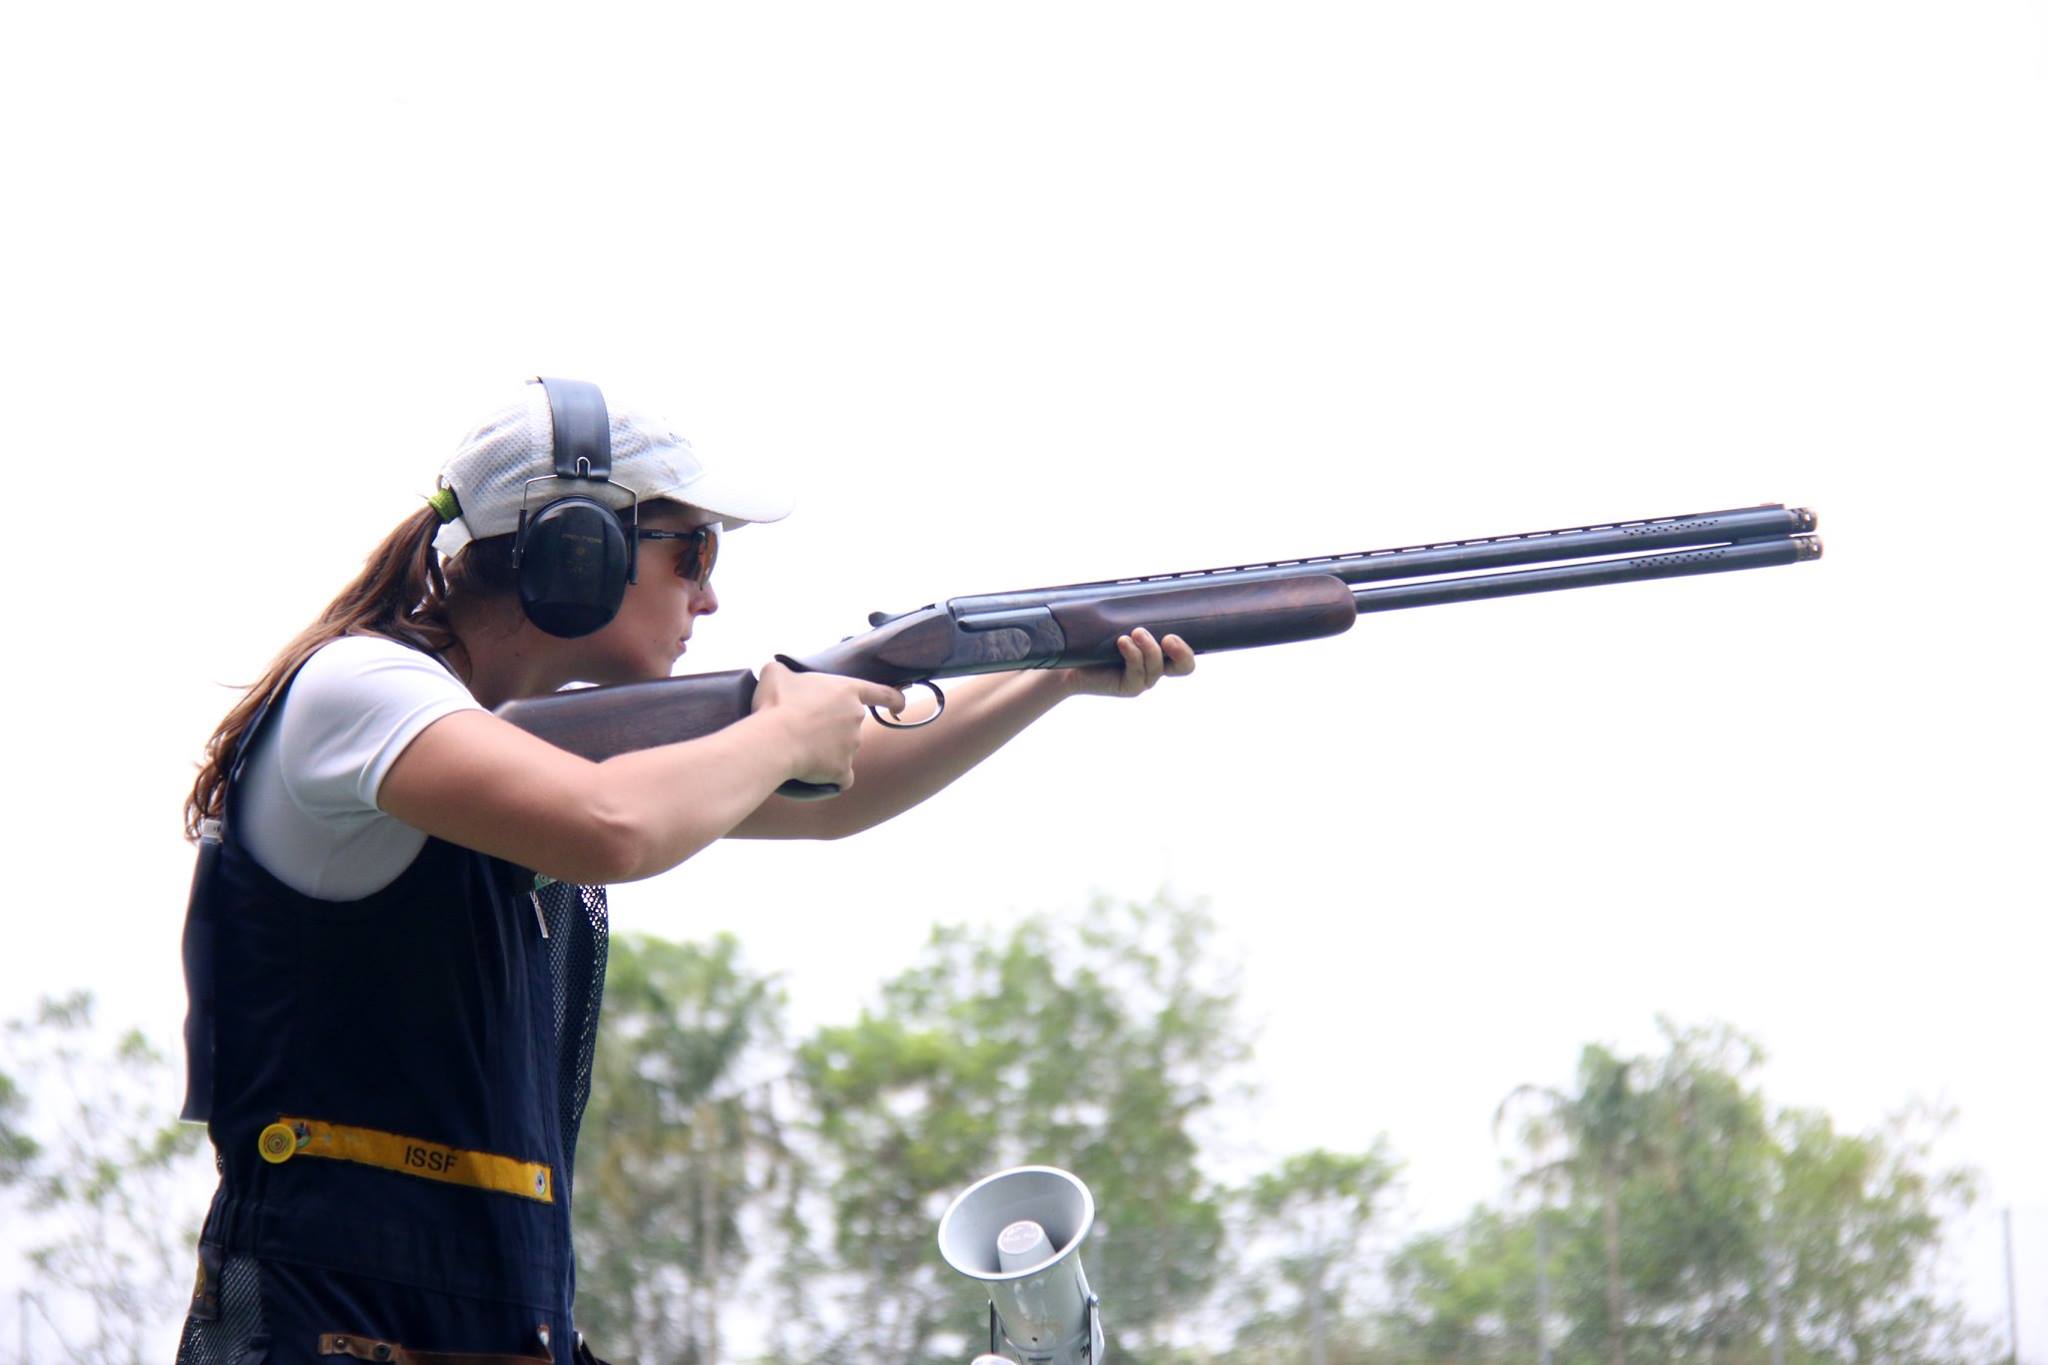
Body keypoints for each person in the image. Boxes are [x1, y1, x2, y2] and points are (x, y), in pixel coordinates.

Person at [174, 377, 1194, 1365]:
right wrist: (782, 734)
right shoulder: (359, 688)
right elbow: (614, 828)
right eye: (691, 551)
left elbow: (838, 799)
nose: (709, 594)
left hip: (481, 1324)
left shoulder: (520, 748)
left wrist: (1053, 673)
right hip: (329, 1323)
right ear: (577, 548)